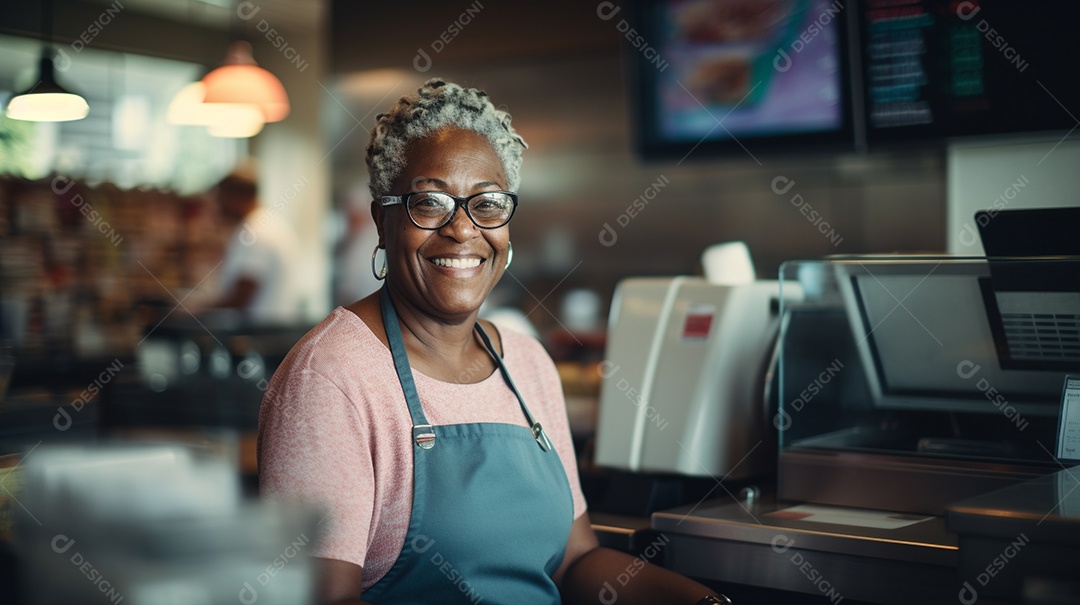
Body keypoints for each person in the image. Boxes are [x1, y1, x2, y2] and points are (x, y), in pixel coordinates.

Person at [258, 79, 731, 605]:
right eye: (430, 202)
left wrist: (702, 601)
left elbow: (575, 560)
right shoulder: (331, 377)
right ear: (381, 220)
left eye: (486, 204)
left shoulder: (527, 362)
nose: (463, 230)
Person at [211, 168, 303, 324]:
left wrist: (197, 310)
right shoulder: (273, 223)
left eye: (221, 198)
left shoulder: (253, 231)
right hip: (277, 330)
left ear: (236, 197)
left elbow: (241, 297)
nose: (218, 206)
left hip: (259, 335)